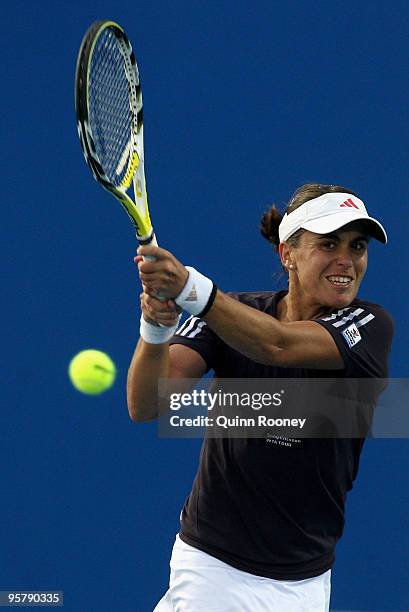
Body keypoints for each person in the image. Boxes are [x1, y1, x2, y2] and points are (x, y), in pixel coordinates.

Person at [127, 183, 394, 612]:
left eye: (357, 246)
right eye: (328, 243)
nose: (347, 260)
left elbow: (278, 345)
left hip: (306, 580)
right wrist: (156, 327)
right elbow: (147, 405)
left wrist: (192, 289)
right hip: (213, 564)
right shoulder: (232, 314)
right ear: (288, 253)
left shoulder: (369, 325)